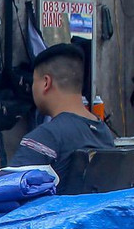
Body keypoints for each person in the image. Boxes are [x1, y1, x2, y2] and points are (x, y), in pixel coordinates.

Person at [8, 43, 115, 180]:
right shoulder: (104, 133)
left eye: (34, 81)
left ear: (46, 83)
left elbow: (9, 191)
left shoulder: (46, 137)